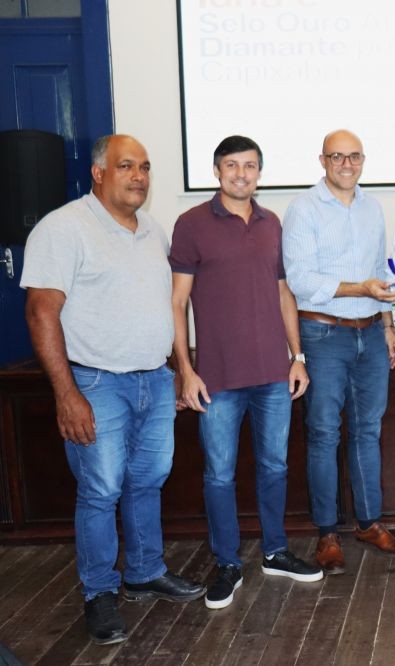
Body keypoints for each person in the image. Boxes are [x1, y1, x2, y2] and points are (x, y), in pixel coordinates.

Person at [22, 135, 204, 645]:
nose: (139, 176)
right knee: (100, 490)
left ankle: (145, 570)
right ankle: (99, 592)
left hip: (154, 379)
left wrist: (179, 368)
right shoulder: (63, 228)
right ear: (99, 173)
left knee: (149, 480)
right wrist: (67, 393)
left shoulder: (152, 229)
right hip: (95, 382)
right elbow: (41, 312)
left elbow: (167, 307)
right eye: (127, 166)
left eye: (145, 166)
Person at [170, 135, 322, 611]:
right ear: (217, 171)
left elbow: (283, 294)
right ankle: (228, 563)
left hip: (273, 374)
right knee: (219, 474)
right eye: (232, 166)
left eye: (250, 166)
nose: (241, 174)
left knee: (275, 465)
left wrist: (297, 357)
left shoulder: (271, 223)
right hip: (215, 377)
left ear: (259, 172)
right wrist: (186, 371)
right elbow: (176, 303)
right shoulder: (191, 224)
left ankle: (275, 551)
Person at [282, 129, 395, 572]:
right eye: (337, 157)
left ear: (363, 160)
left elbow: (380, 273)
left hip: (371, 333)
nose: (346, 164)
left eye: (354, 156)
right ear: (322, 161)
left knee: (367, 431)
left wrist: (390, 326)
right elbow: (301, 282)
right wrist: (360, 288)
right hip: (323, 335)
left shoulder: (373, 208)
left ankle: (369, 523)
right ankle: (327, 534)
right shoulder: (302, 210)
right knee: (322, 434)